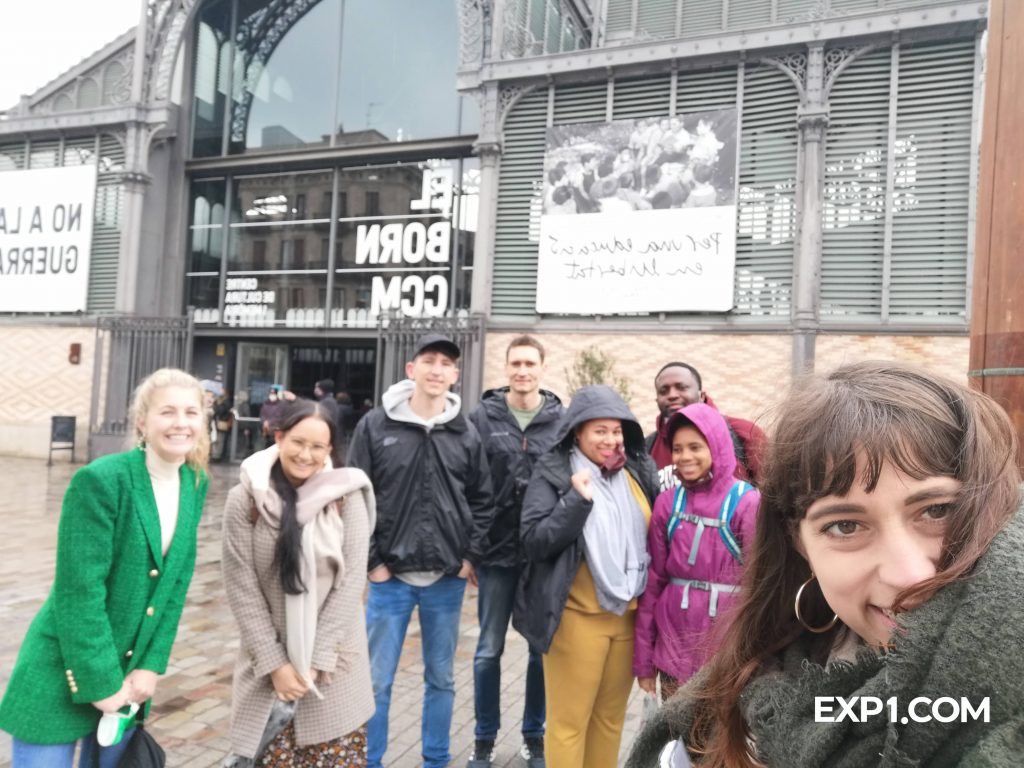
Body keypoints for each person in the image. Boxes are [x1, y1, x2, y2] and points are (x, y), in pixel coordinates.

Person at [627, 361, 1024, 768]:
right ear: (800, 545)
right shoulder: (738, 717)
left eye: (937, 510)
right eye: (845, 526)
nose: (909, 577)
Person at [0, 368, 210, 768]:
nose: (180, 423)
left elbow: (176, 583)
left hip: (129, 679)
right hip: (63, 669)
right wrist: (100, 683)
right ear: (142, 422)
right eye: (167, 412)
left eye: (191, 412)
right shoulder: (101, 480)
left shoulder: (194, 483)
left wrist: (150, 665)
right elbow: (79, 591)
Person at [347, 332, 495, 768]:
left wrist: (468, 558)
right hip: (389, 580)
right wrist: (372, 563)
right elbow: (354, 496)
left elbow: (483, 500)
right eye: (429, 360)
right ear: (411, 369)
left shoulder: (465, 432)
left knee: (442, 680)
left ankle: (436, 760)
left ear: (455, 375)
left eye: (446, 363)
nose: (437, 369)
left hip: (445, 581)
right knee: (376, 681)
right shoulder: (375, 425)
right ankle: (370, 761)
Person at [221, 398, 375, 767]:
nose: (306, 455)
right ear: (279, 438)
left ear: (330, 449)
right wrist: (276, 665)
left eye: (317, 446)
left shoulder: (346, 495)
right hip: (268, 671)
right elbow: (242, 590)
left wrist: (317, 660)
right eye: (298, 442)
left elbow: (351, 583)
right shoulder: (246, 498)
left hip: (334, 671)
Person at [514, 385, 659, 768]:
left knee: (609, 722)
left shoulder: (635, 471)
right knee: (569, 726)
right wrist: (576, 501)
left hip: (627, 618)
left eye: (616, 430)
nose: (610, 439)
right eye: (600, 431)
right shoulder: (556, 472)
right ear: (577, 431)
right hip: (576, 621)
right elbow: (534, 541)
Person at [466, 335, 565, 768]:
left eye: (530, 363)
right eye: (515, 364)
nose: (522, 371)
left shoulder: (560, 421)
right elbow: (468, 485)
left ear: (542, 368)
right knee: (488, 649)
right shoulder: (482, 418)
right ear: (505, 368)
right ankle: (484, 738)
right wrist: (472, 549)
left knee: (539, 651)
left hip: (541, 556)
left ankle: (533, 736)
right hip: (494, 555)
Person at [633, 404, 761, 703]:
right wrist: (643, 662)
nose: (684, 457)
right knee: (675, 727)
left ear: (716, 446)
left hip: (726, 650)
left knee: (719, 729)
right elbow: (654, 583)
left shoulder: (747, 503)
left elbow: (762, 583)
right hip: (673, 650)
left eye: (695, 447)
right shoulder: (668, 503)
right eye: (677, 449)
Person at [645, 362, 765, 491]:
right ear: (657, 400)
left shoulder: (745, 432)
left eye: (682, 387)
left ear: (701, 396)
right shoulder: (646, 448)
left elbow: (772, 490)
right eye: (663, 391)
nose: (672, 395)